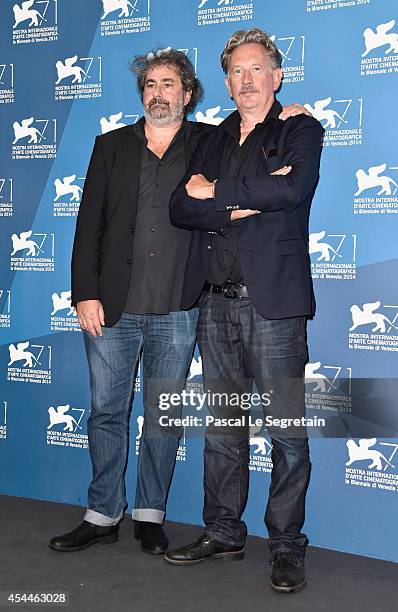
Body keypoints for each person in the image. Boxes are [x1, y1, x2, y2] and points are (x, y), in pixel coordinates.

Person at [48, 46, 311, 557]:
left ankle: (150, 514)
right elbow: (92, 225)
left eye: (169, 84)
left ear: (188, 94)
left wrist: (292, 112)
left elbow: (268, 149)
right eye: (150, 85)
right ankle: (102, 512)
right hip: (114, 306)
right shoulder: (111, 146)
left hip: (179, 306)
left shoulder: (208, 141)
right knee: (106, 412)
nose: (158, 93)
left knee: (164, 415)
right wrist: (85, 292)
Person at [165, 29, 324, 594]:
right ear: (227, 83)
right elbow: (182, 205)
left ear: (276, 77)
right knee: (222, 428)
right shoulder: (210, 139)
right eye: (236, 71)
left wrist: (222, 194)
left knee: (285, 429)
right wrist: (239, 201)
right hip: (216, 302)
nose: (247, 80)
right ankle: (223, 532)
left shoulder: (300, 128)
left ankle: (285, 546)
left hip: (274, 305)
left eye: (256, 69)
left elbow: (292, 190)